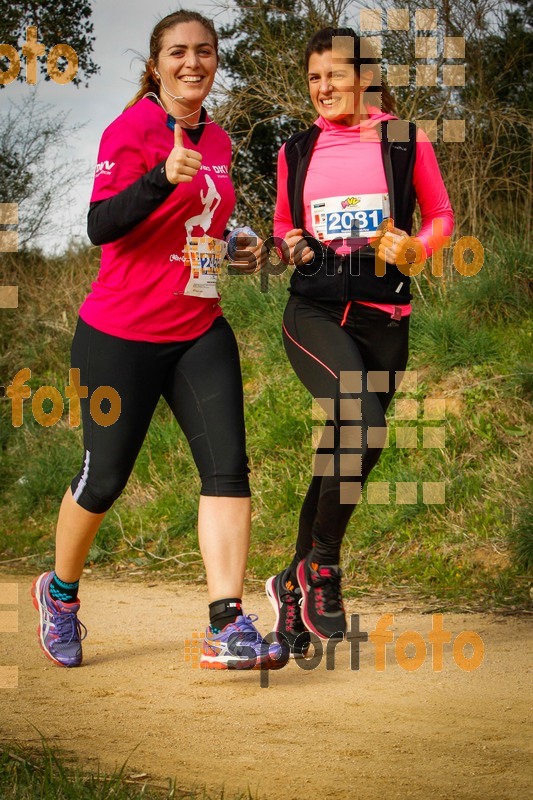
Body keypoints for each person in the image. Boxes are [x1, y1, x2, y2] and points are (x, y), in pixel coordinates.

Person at [31, 9, 282, 671]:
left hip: (198, 329)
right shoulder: (132, 129)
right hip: (119, 334)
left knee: (227, 468)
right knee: (105, 476)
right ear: (156, 62)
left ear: (214, 62)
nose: (192, 63)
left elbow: (199, 232)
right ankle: (59, 595)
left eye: (204, 51)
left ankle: (226, 625)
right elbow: (99, 225)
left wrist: (240, 247)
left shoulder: (220, 142)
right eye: (178, 52)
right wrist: (159, 177)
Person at [265, 27, 454, 654]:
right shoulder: (295, 149)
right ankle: (321, 568)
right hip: (315, 311)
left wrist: (418, 248)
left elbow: (441, 217)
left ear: (367, 77)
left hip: (383, 316)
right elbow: (284, 228)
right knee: (364, 423)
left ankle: (291, 594)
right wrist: (288, 244)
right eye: (314, 78)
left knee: (340, 450)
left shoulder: (404, 139)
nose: (323, 88)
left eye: (336, 75)